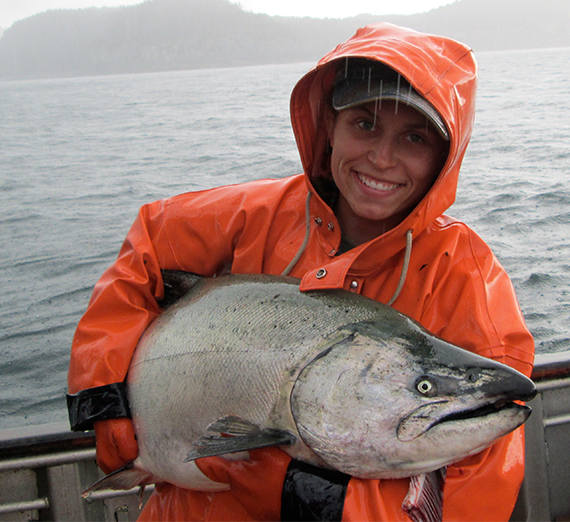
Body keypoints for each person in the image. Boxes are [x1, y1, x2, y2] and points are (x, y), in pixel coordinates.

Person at [67, 22, 534, 521]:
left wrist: (310, 498)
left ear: (445, 157)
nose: (381, 157)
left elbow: (473, 498)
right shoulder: (254, 215)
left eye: (414, 138)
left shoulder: (465, 279)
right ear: (328, 127)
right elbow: (148, 247)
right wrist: (107, 394)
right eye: (364, 124)